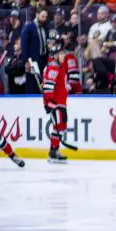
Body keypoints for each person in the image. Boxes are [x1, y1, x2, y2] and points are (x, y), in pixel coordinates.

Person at [42, 33, 70, 164]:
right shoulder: (53, 67)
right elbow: (48, 87)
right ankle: (53, 152)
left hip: (61, 102)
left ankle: (55, 150)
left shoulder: (59, 66)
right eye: (61, 54)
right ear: (55, 55)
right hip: (55, 103)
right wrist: (49, 102)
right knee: (58, 126)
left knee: (61, 125)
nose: (64, 56)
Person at [21, 8, 49, 94]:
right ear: (37, 15)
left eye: (46, 17)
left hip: (43, 59)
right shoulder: (28, 27)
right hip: (32, 60)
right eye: (42, 16)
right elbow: (24, 45)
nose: (44, 19)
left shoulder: (45, 27)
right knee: (32, 82)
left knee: (42, 82)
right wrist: (26, 61)